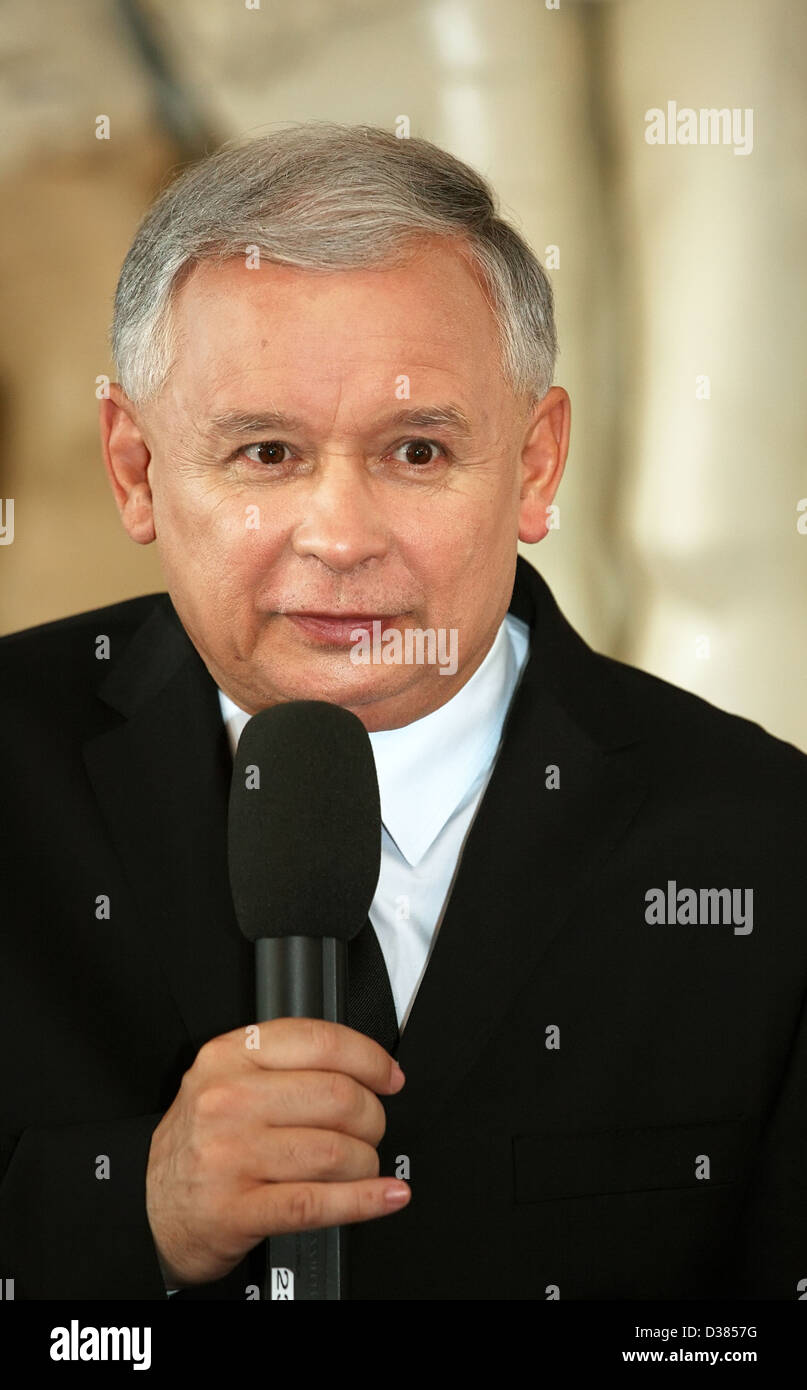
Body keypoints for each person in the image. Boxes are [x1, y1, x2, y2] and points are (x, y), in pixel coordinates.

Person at [1, 123, 805, 1301]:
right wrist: (136, 1208)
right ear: (135, 468)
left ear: (535, 466)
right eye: (266, 452)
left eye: (417, 451)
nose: (339, 536)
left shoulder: (769, 846)